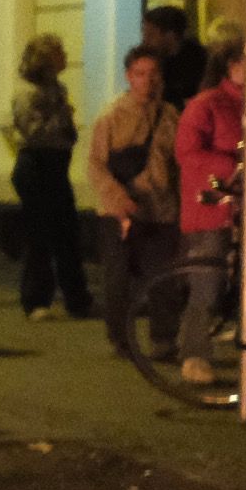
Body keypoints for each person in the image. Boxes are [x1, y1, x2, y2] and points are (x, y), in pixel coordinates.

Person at [170, 34, 246, 382]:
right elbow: (188, 153)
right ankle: (195, 352)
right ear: (231, 66)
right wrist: (231, 165)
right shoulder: (208, 104)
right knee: (208, 282)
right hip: (212, 207)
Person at [86, 46, 179, 324]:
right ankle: (120, 336)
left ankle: (163, 336)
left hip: (161, 209)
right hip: (121, 210)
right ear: (129, 76)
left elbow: (179, 163)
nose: (147, 81)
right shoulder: (112, 116)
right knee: (119, 278)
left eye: (153, 74)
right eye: (140, 74)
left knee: (163, 276)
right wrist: (117, 199)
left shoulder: (170, 115)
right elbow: (95, 165)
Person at [5, 34, 91, 322]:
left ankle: (76, 297)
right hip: (37, 165)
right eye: (59, 52)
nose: (65, 56)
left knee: (67, 231)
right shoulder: (29, 93)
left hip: (56, 163)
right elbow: (36, 132)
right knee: (40, 233)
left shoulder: (57, 89)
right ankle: (36, 299)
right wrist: (63, 120)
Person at [143, 4, 207, 104]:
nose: (145, 41)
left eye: (151, 35)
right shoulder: (152, 60)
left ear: (170, 35)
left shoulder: (199, 62)